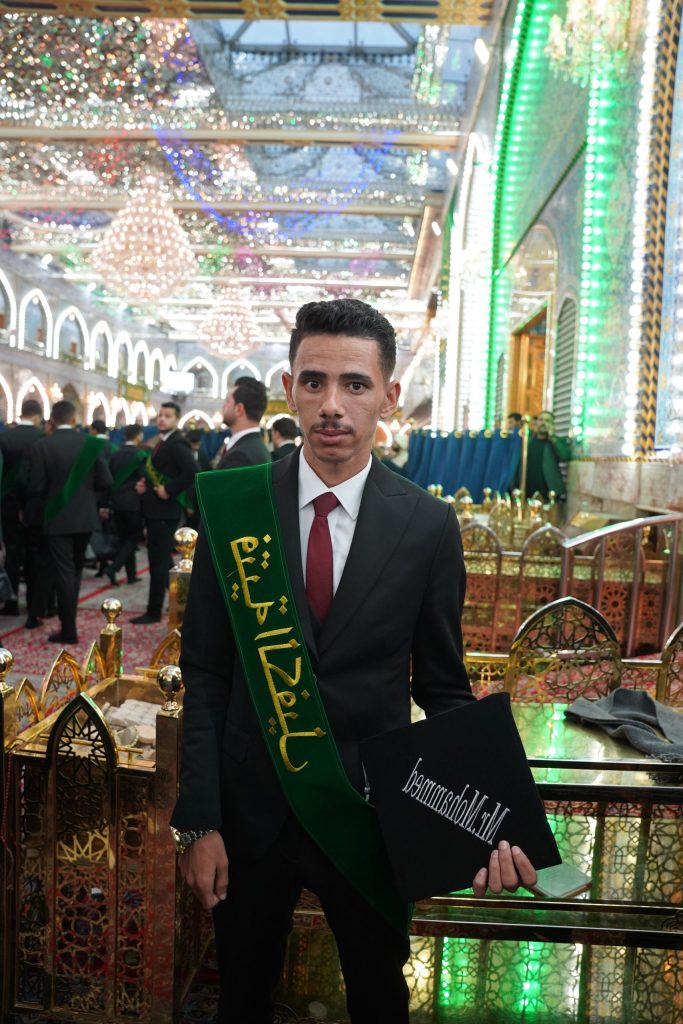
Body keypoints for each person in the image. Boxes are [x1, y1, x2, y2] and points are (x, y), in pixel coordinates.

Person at [171, 298, 536, 1023]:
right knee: (239, 993)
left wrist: (490, 818)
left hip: (368, 813)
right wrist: (199, 822)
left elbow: (443, 688)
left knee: (378, 996)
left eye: (354, 384)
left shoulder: (427, 525)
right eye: (313, 382)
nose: (331, 405)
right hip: (250, 812)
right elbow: (207, 674)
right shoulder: (233, 507)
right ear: (289, 388)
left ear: (388, 395)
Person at [26, 400, 112, 644]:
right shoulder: (91, 444)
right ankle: (68, 625)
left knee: (64, 571)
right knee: (74, 571)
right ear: (75, 419)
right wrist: (86, 497)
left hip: (57, 518)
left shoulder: (42, 446)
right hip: (85, 518)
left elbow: (35, 487)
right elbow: (106, 481)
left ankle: (69, 631)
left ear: (52, 420)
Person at [131, 401, 196, 625]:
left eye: (167, 416)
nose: (162, 419)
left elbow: (192, 471)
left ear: (176, 419)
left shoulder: (177, 443)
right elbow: (160, 472)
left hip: (164, 512)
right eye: (160, 415)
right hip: (156, 510)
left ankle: (154, 610)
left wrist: (169, 490)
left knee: (158, 563)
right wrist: (145, 487)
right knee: (161, 560)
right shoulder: (163, 442)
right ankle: (183, 600)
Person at [0, 399, 43, 619]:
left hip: (8, 504)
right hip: (35, 506)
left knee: (12, 552)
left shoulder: (5, 437)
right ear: (37, 416)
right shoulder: (43, 438)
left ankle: (11, 601)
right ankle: (34, 603)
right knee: (34, 553)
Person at [105, 424, 146, 586]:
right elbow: (144, 477)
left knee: (124, 539)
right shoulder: (140, 455)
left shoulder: (115, 453)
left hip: (116, 502)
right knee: (133, 539)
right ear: (138, 436)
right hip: (133, 502)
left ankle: (131, 575)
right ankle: (113, 568)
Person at [217, 377, 270, 469]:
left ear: (239, 409)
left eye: (227, 401)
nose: (223, 406)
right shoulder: (257, 447)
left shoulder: (239, 457)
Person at [525, 409, 572, 501]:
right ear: (536, 423)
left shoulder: (557, 441)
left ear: (552, 425)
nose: (543, 423)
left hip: (549, 494)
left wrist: (552, 437)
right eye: (541, 420)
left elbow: (565, 456)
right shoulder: (528, 442)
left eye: (547, 421)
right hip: (527, 492)